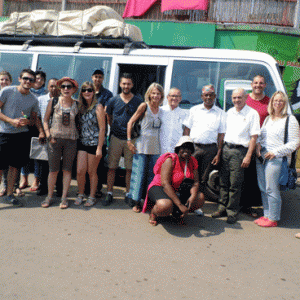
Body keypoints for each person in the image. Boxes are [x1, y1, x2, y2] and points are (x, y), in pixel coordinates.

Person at [212, 88, 260, 224]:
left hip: (240, 152)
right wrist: (220, 152)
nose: (236, 100)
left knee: (235, 184)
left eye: (239, 97)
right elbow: (223, 134)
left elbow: (253, 137)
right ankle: (221, 208)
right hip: (226, 149)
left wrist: (248, 156)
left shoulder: (252, 113)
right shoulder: (229, 112)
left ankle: (232, 211)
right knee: (223, 182)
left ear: (245, 98)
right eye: (234, 98)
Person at [0, 68, 45, 206]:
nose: (28, 81)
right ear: (19, 79)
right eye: (25, 78)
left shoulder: (33, 99)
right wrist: (11, 121)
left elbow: (33, 119)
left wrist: (31, 124)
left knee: (14, 167)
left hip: (20, 136)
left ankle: (9, 194)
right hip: (4, 133)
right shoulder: (7, 91)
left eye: (31, 80)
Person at [255, 91, 300, 227]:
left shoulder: (290, 119)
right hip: (262, 155)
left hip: (276, 158)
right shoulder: (268, 118)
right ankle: (267, 215)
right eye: (275, 100)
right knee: (263, 187)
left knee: (271, 188)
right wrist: (258, 146)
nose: (277, 103)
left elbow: (295, 143)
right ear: (272, 102)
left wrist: (275, 152)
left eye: (280, 101)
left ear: (285, 103)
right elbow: (262, 135)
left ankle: (273, 218)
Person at [183, 85, 226, 215]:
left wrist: (218, 153)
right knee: (188, 175)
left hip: (210, 149)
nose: (208, 97)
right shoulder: (194, 110)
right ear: (202, 97)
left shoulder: (220, 113)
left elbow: (221, 136)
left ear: (214, 97)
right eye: (205, 95)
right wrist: (185, 147)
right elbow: (187, 130)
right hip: (194, 148)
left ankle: (196, 205)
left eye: (211, 95)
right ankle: (184, 201)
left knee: (202, 178)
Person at [142, 136, 201, 226]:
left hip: (178, 189)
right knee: (165, 205)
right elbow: (165, 184)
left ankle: (176, 213)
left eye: (189, 148)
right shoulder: (170, 159)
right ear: (178, 148)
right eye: (183, 147)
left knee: (199, 198)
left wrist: (193, 196)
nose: (186, 150)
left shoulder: (192, 161)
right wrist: (180, 205)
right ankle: (154, 212)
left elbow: (196, 182)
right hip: (160, 187)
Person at [104, 73, 142, 206]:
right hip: (115, 137)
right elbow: (108, 117)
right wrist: (114, 129)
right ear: (120, 84)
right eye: (124, 83)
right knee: (111, 167)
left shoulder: (138, 101)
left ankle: (128, 193)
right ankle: (109, 193)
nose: (126, 86)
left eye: (128, 83)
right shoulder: (113, 100)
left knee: (130, 168)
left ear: (132, 85)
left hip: (132, 140)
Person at [42, 77, 79, 209]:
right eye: (63, 86)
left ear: (74, 89)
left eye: (69, 87)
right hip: (54, 140)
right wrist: (48, 135)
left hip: (71, 141)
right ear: (60, 88)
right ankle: (49, 196)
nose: (66, 89)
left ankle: (64, 198)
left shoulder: (77, 104)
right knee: (53, 171)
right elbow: (45, 120)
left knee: (67, 170)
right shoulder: (53, 101)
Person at [127, 83, 164, 212]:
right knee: (139, 174)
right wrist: (129, 141)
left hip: (155, 147)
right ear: (149, 94)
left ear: (161, 96)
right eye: (153, 93)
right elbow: (130, 122)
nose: (155, 96)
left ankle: (148, 201)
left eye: (158, 93)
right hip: (141, 146)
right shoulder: (144, 106)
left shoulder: (161, 110)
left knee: (152, 176)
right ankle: (135, 201)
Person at [240, 75, 271, 216]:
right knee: (243, 176)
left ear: (265, 85)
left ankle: (251, 205)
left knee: (255, 177)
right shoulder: (244, 99)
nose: (258, 85)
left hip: (261, 145)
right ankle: (242, 205)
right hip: (244, 142)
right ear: (251, 84)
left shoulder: (269, 102)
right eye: (256, 83)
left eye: (261, 83)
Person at [75, 82, 105, 207]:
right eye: (84, 90)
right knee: (80, 171)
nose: (87, 92)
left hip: (94, 143)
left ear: (93, 92)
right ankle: (81, 194)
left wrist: (99, 148)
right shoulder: (80, 107)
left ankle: (92, 196)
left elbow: (102, 128)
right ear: (81, 93)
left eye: (90, 90)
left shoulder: (98, 107)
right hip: (82, 142)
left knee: (91, 172)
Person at [20, 70, 47, 191]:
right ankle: (24, 179)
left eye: (41, 79)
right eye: (36, 78)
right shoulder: (27, 92)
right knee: (24, 154)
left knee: (37, 155)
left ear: (44, 81)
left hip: (39, 127)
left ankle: (36, 180)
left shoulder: (46, 94)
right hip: (25, 126)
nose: (38, 81)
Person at [90, 68, 113, 197]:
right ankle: (86, 188)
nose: (97, 79)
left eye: (100, 77)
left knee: (98, 163)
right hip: (87, 132)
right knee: (87, 162)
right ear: (92, 77)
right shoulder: (88, 90)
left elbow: (106, 112)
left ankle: (97, 189)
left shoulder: (107, 94)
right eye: (96, 76)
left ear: (103, 79)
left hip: (100, 132)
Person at [35, 78, 60, 196]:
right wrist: (41, 131)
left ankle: (59, 188)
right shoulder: (41, 99)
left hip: (60, 136)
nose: (54, 88)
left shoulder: (64, 100)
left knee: (59, 163)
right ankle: (43, 187)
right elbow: (37, 117)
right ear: (48, 87)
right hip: (45, 135)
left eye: (56, 86)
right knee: (44, 163)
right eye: (51, 86)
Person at [160, 88, 188, 154]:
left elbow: (185, 132)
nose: (174, 98)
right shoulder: (160, 111)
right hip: (160, 150)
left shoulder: (184, 114)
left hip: (175, 151)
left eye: (177, 96)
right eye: (172, 96)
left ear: (180, 98)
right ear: (167, 97)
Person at [0, 70, 12, 197]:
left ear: (11, 81)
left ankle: (7, 187)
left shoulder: (13, 94)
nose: (4, 82)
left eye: (6, 80)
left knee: (7, 163)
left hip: (8, 132)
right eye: (2, 79)